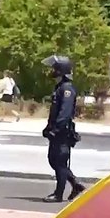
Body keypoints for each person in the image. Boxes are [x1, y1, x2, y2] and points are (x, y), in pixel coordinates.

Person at [42, 55, 85, 201]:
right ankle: (75, 184)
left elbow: (64, 113)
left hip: (62, 132)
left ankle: (58, 194)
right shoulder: (60, 87)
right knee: (54, 160)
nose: (52, 71)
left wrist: (56, 129)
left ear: (60, 70)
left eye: (54, 68)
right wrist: (49, 127)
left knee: (59, 161)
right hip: (57, 130)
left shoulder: (67, 89)